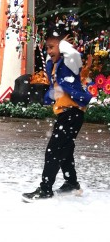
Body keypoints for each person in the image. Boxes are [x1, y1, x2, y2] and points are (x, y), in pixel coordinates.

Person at [22, 25, 92, 202]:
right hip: (66, 114)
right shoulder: (55, 66)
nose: (49, 51)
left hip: (72, 113)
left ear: (61, 48)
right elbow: (49, 63)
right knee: (65, 149)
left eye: (52, 47)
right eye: (47, 48)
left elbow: (75, 56)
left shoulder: (69, 64)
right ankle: (71, 182)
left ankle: (45, 188)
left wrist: (63, 46)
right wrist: (53, 50)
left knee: (54, 149)